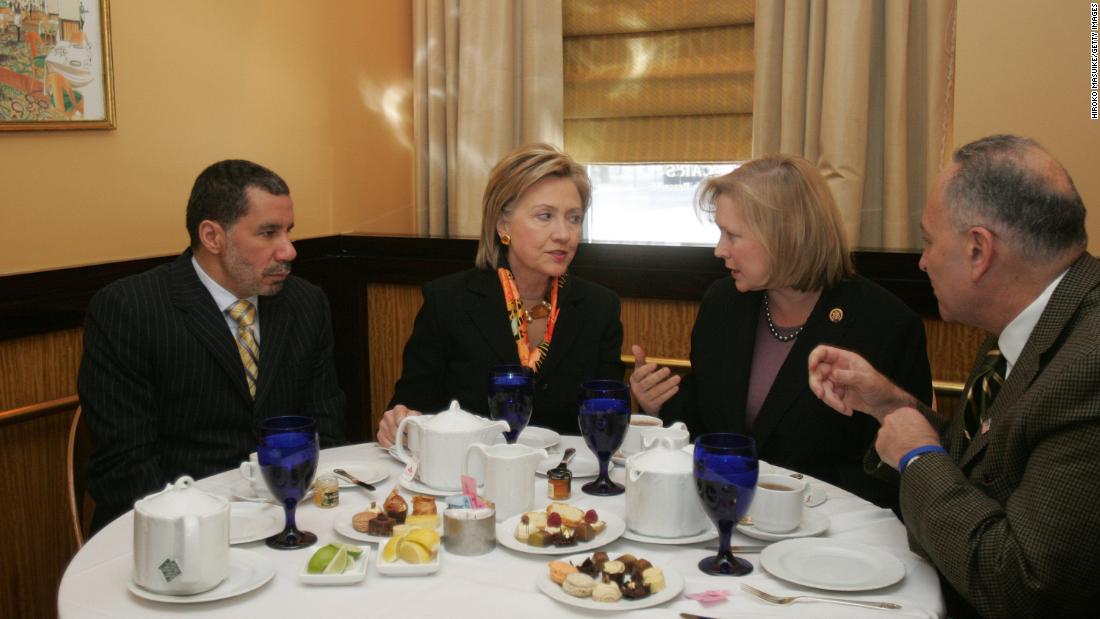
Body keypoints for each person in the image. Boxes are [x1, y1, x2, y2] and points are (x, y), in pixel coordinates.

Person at [808, 135, 1100, 618]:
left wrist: (918, 457)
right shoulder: (1029, 323)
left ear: (978, 250)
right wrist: (889, 405)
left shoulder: (1087, 366)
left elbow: (1022, 586)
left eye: (928, 241)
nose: (922, 261)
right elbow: (989, 468)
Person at [631, 155, 931, 508]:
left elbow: (895, 469)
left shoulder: (884, 324)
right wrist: (659, 403)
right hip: (724, 515)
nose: (719, 249)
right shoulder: (723, 304)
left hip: (831, 534)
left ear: (784, 236)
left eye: (732, 234)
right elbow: (708, 425)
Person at [79, 159, 346, 532]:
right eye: (269, 233)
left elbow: (327, 430)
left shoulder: (306, 303)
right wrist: (196, 534)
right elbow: (125, 466)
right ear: (212, 237)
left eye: (288, 232)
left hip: (288, 517)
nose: (288, 251)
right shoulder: (131, 309)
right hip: (176, 530)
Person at [376, 143, 624, 446]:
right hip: (471, 481)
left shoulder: (600, 308)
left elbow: (604, 421)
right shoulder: (448, 302)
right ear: (503, 225)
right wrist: (400, 419)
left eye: (574, 218)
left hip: (565, 482)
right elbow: (414, 408)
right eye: (545, 216)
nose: (564, 234)